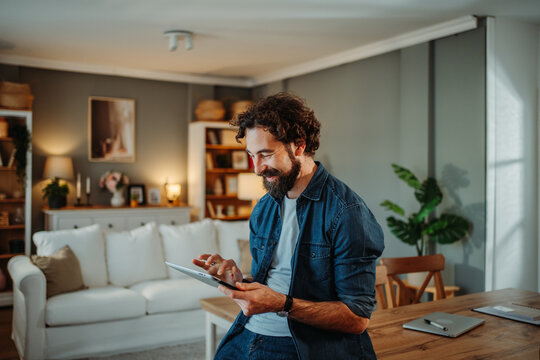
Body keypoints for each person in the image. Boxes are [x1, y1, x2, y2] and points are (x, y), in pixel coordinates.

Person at [194, 92, 384, 360]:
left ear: (299, 146)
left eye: (266, 154)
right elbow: (270, 282)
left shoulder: (346, 213)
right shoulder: (264, 207)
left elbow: (357, 318)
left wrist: (282, 304)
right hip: (246, 332)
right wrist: (238, 281)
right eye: (251, 156)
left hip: (300, 344)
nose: (257, 168)